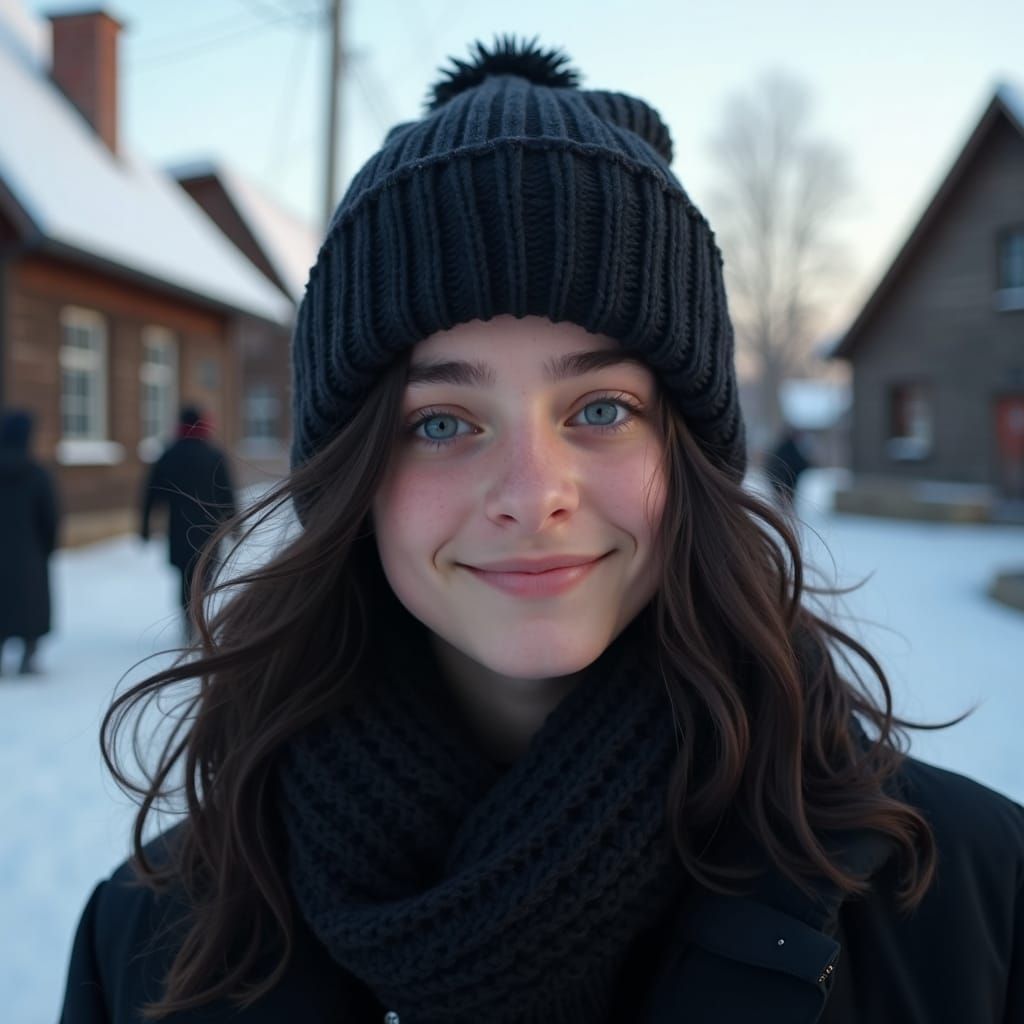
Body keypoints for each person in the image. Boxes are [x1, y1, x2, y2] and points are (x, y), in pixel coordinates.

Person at [61, 39, 1023, 1023]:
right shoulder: (151, 940)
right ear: (348, 481)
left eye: (599, 409)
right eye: (439, 422)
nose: (532, 492)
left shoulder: (966, 897)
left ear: (685, 452)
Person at [140, 405, 237, 638]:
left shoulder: (169, 454)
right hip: (209, 530)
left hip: (179, 530)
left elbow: (151, 494)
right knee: (204, 575)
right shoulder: (214, 455)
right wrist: (235, 524)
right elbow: (227, 494)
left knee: (184, 577)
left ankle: (188, 618)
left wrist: (144, 526)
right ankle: (197, 615)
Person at [0, 409, 58, 676]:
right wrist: (47, 547)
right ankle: (28, 655)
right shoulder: (37, 474)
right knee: (30, 606)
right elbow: (49, 517)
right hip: (29, 554)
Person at [766, 426, 813, 507]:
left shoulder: (784, 447)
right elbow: (797, 463)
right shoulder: (789, 448)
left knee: (782, 507)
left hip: (782, 484)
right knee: (784, 507)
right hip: (785, 483)